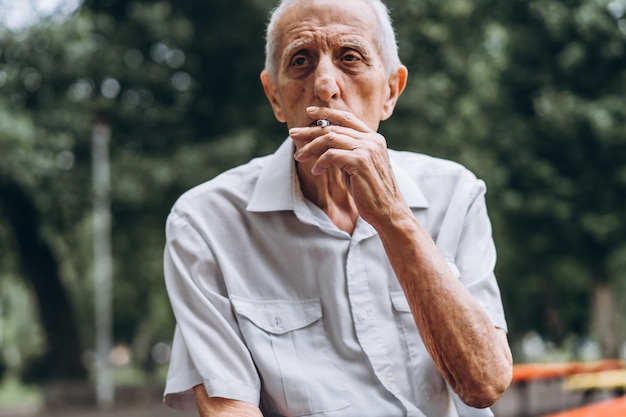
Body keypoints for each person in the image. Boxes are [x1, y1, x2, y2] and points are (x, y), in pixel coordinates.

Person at [162, 0, 513, 416]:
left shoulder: (456, 194)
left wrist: (393, 216)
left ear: (391, 92)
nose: (325, 84)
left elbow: (485, 383)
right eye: (301, 61)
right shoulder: (205, 223)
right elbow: (228, 408)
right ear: (275, 97)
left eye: (350, 57)